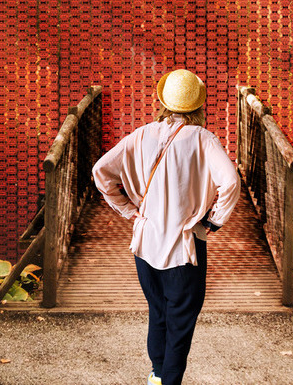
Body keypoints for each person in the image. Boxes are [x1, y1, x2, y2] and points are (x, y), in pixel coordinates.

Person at [92, 68, 241, 385]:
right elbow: (230, 182)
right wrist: (215, 219)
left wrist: (128, 211)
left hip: (145, 241)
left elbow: (100, 170)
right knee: (181, 319)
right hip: (182, 245)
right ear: (199, 106)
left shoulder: (142, 134)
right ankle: (168, 380)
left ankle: (157, 375)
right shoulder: (203, 139)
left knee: (158, 311)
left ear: (162, 101)